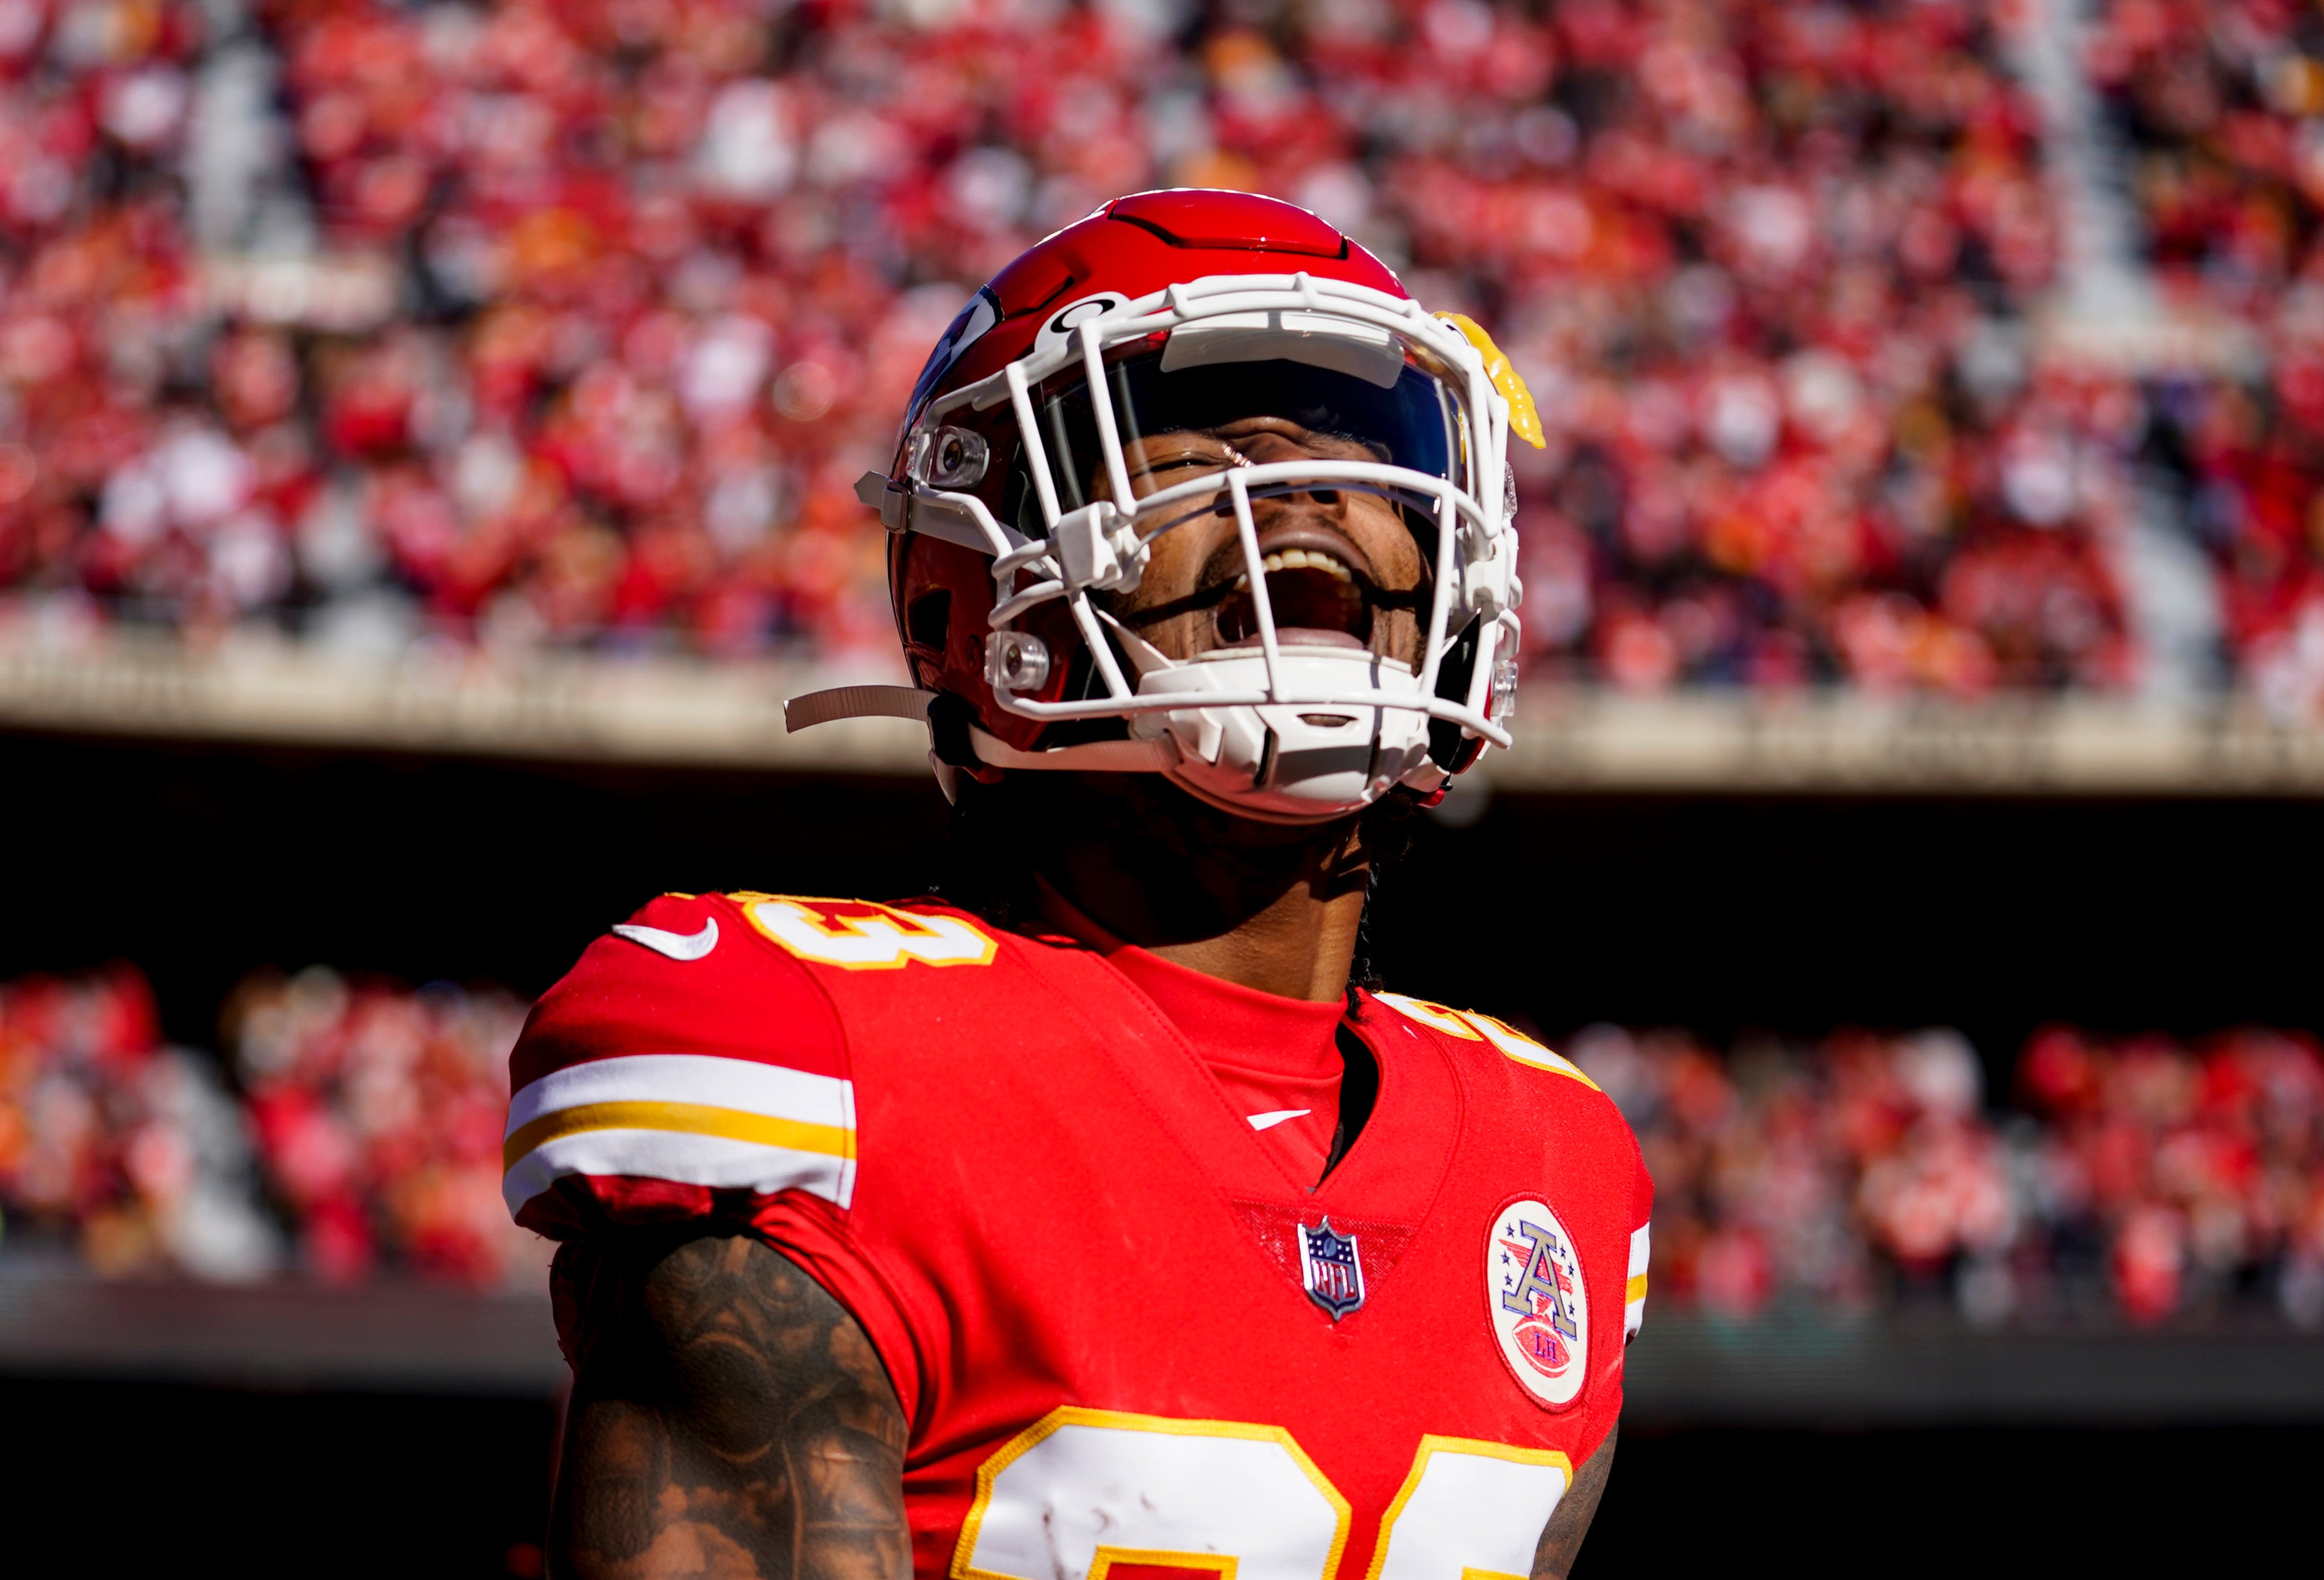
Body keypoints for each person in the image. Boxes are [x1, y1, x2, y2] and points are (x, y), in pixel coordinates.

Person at [503, 189, 1652, 1580]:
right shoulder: (825, 1059)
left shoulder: (1554, 1156)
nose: (1297, 472)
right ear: (956, 600)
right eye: (1203, 425)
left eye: (1357, 434)